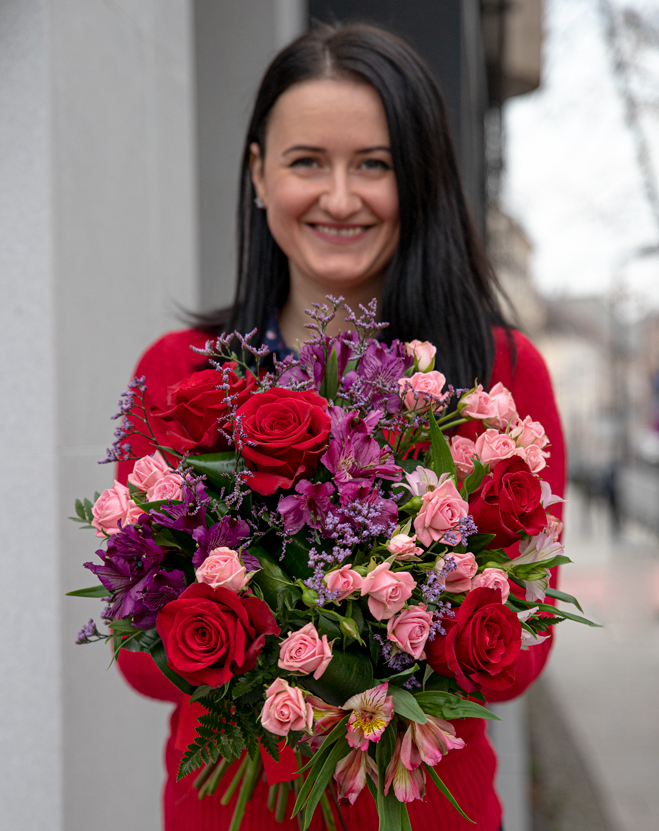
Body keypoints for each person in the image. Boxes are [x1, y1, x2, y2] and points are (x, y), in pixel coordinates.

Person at [115, 23, 565, 831]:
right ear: (257, 173)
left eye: (374, 164)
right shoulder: (177, 375)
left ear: (418, 179)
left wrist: (370, 605)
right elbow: (138, 660)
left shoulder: (501, 375)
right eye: (305, 162)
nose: (339, 197)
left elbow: (518, 656)